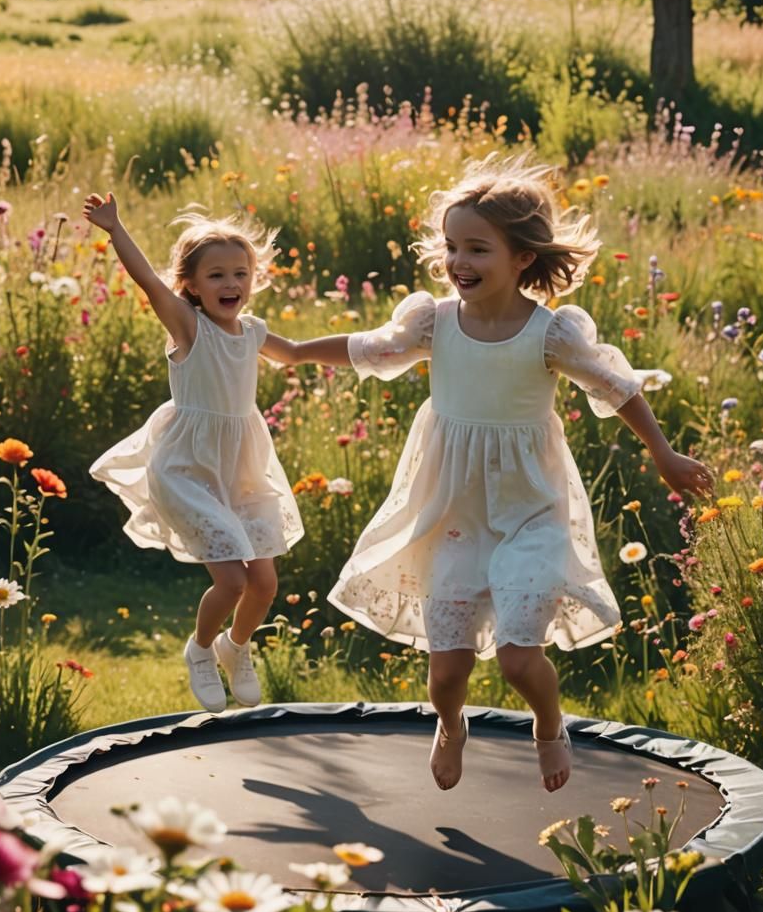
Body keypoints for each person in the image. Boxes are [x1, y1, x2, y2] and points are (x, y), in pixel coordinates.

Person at [266, 155, 715, 794]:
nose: (458, 262)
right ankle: (450, 725)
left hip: (530, 510)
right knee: (446, 673)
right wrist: (291, 351)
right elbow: (368, 346)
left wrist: (665, 455)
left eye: (477, 249)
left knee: (515, 657)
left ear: (522, 258)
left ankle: (548, 725)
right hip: (450, 513)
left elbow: (619, 390)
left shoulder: (551, 335)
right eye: (452, 247)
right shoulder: (435, 323)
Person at [83, 193, 304, 714]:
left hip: (243, 466)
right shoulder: (189, 327)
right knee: (231, 580)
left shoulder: (252, 331)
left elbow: (296, 354)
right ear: (192, 285)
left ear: (254, 278)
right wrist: (115, 229)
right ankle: (201, 650)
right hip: (188, 469)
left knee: (264, 583)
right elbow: (147, 282)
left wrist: (386, 345)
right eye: (217, 276)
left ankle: (236, 647)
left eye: (240, 274)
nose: (231, 285)